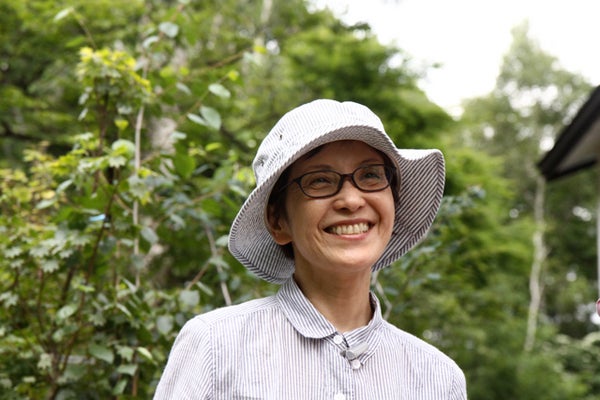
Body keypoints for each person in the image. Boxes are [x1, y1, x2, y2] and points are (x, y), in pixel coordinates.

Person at [154, 99, 467, 399]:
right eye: (319, 181)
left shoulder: (437, 378)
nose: (351, 200)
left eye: (371, 175)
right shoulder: (215, 347)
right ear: (278, 221)